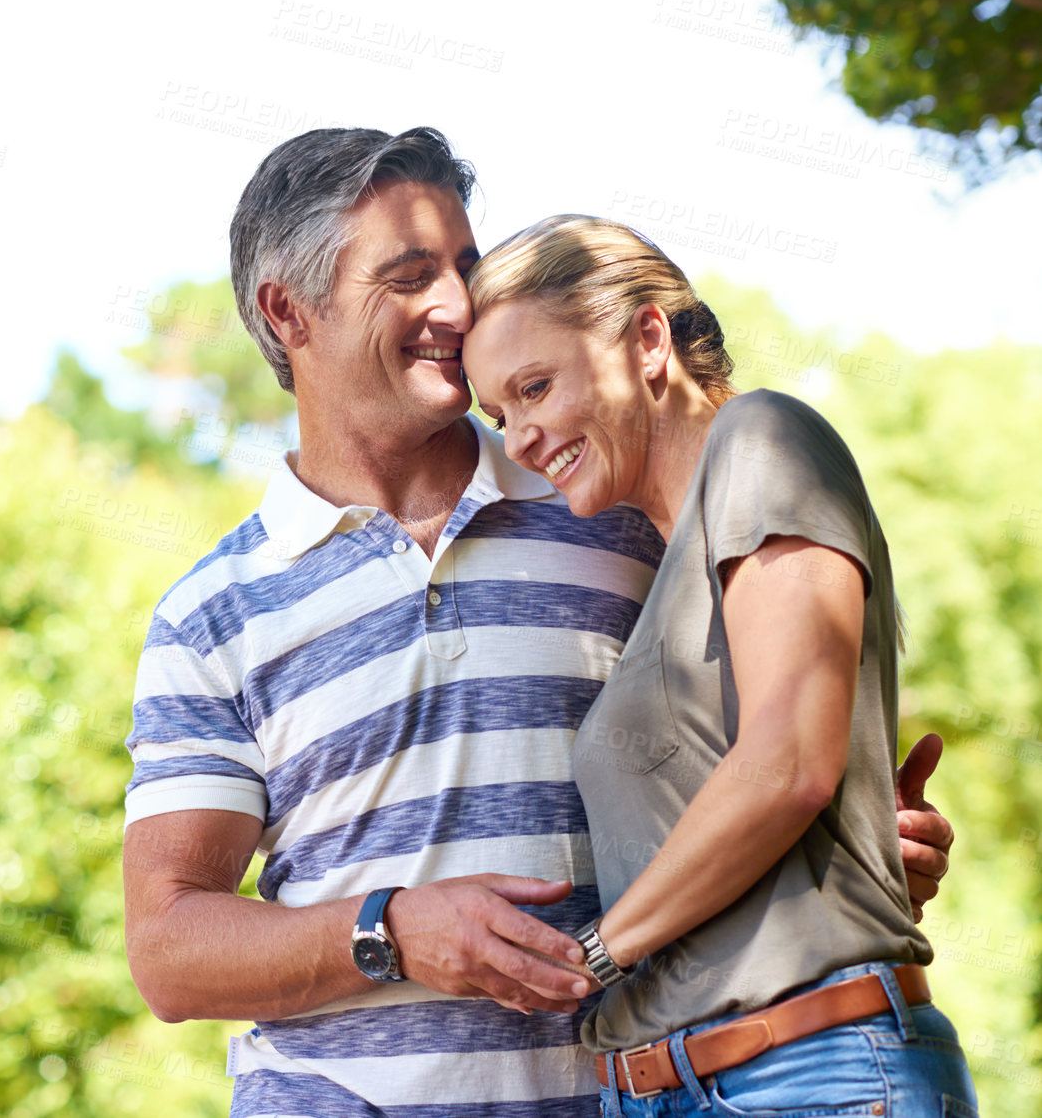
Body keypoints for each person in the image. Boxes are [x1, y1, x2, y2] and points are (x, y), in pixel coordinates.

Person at [121, 128, 955, 1117]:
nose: (451, 304)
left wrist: (845, 843)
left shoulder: (615, 505)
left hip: (653, 1092)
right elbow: (170, 951)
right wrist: (389, 930)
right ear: (285, 310)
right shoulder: (211, 613)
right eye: (408, 273)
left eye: (463, 269)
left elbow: (773, 752)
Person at [462, 213, 976, 1117]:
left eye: (534, 387)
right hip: (680, 1085)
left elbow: (785, 766)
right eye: (497, 415)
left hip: (803, 1074)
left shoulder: (761, 438)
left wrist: (586, 956)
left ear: (647, 339)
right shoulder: (663, 562)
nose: (520, 438)